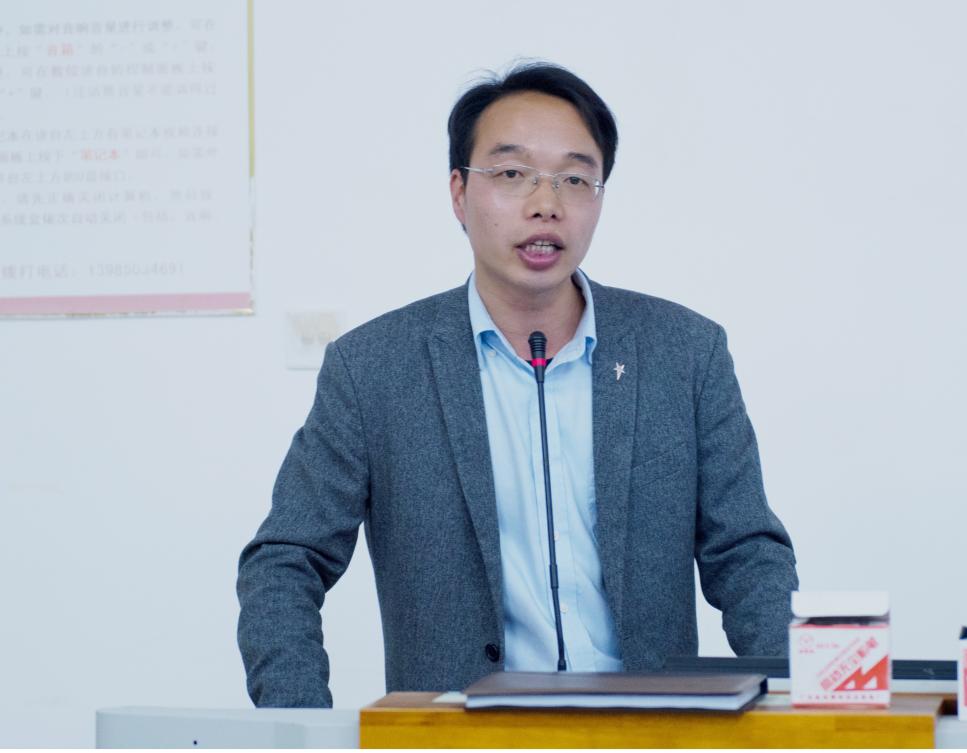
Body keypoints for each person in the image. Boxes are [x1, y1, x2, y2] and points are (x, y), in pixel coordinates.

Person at [236, 63, 798, 707]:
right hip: (459, 737)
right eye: (511, 174)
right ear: (458, 193)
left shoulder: (685, 352)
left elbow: (746, 553)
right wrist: (303, 728)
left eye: (575, 178)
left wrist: (803, 709)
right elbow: (284, 561)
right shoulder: (374, 369)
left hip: (649, 732)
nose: (545, 203)